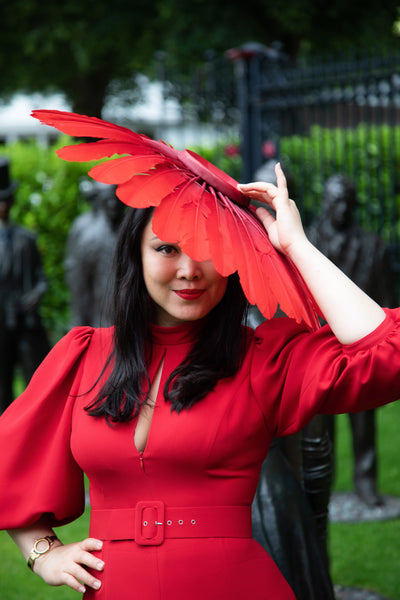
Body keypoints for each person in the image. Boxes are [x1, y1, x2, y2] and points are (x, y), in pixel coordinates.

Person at [1, 110, 400, 600]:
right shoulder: (83, 355)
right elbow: (8, 467)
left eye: (208, 248)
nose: (189, 270)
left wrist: (295, 245)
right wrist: (42, 552)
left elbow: (389, 352)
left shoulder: (263, 358)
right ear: (136, 256)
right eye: (167, 248)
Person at [308, 173, 398, 506]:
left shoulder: (373, 246)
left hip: (362, 349)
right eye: (335, 201)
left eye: (347, 201)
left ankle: (365, 483)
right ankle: (322, 484)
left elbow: (387, 300)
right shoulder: (308, 242)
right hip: (320, 348)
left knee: (364, 421)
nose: (342, 209)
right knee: (319, 427)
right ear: (325, 203)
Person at [0, 157, 50, 413]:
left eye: (6, 200)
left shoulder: (27, 239)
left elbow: (42, 279)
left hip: (25, 322)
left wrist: (36, 294)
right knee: (2, 384)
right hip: (1, 323)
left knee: (33, 381)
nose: (3, 207)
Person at [65, 180, 125, 327]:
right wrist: (79, 322)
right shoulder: (88, 235)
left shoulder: (132, 232)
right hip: (100, 315)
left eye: (116, 199)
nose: (113, 204)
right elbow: (79, 282)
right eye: (107, 199)